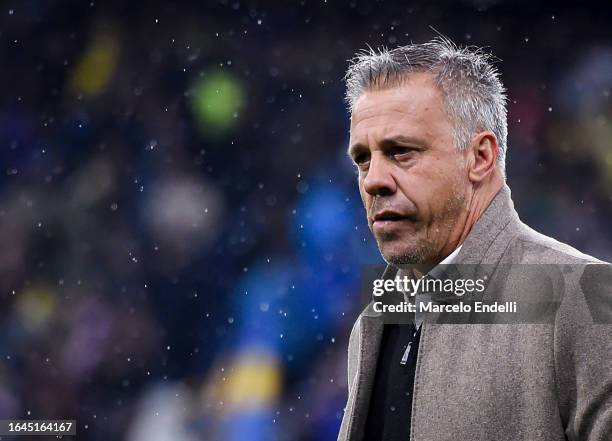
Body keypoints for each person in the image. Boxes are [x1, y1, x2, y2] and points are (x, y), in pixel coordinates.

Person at [337, 38, 612, 441]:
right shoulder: (373, 324)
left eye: (401, 151)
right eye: (363, 158)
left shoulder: (587, 301)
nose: (373, 180)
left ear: (480, 157)